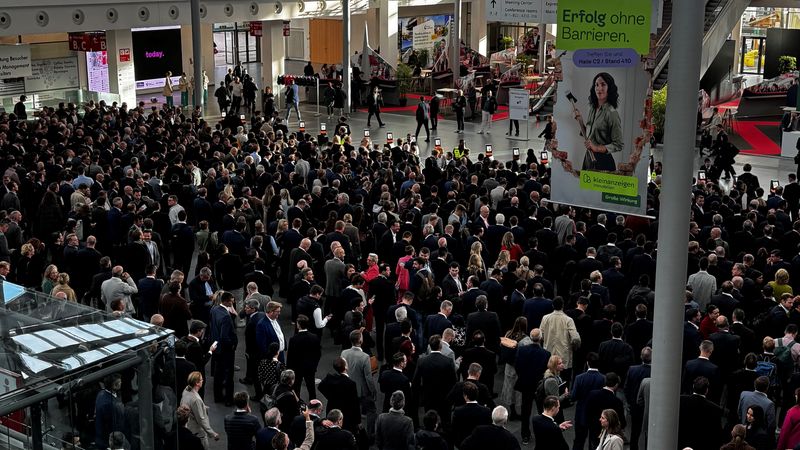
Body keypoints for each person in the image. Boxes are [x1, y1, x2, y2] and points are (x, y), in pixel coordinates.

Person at [573, 72, 622, 172]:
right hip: (588, 159)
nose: (599, 88)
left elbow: (618, 145)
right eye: (596, 85)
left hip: (604, 163)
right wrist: (580, 120)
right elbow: (590, 135)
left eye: (603, 84)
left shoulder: (612, 113)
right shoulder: (593, 108)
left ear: (610, 88)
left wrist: (596, 148)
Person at [181, 372, 220, 449]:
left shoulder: (186, 390)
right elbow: (201, 419)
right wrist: (212, 433)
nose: (203, 381)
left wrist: (202, 407)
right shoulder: (196, 399)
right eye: (201, 380)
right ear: (197, 383)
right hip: (197, 432)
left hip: (189, 427)